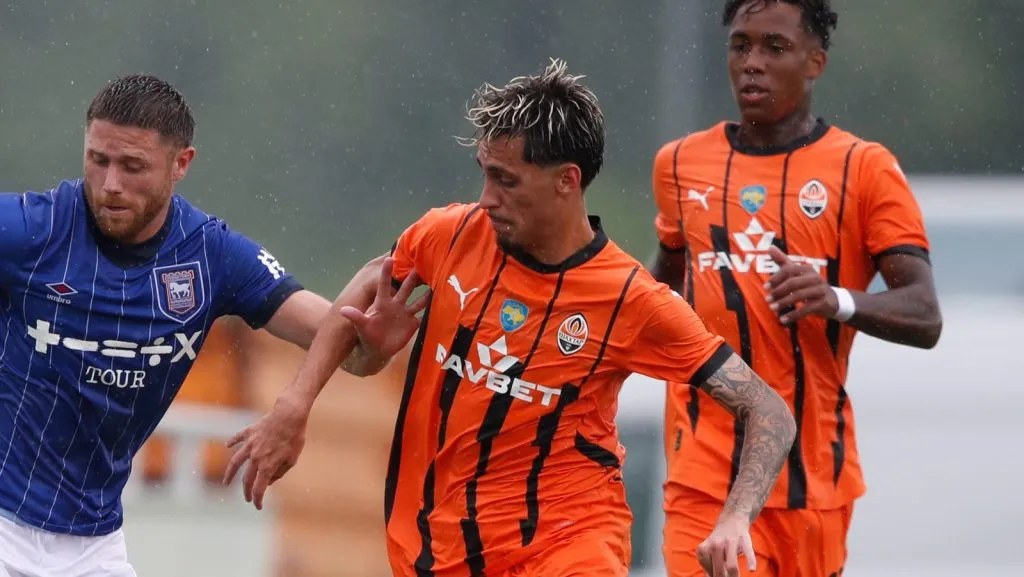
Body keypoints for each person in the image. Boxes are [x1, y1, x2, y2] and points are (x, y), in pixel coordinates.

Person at [225, 58, 796, 577]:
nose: (487, 197)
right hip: (432, 543)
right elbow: (375, 278)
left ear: (567, 181)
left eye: (506, 180)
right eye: (484, 173)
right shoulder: (448, 234)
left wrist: (735, 517)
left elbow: (767, 408)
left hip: (569, 544)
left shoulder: (632, 299)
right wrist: (297, 402)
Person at [0, 74, 382, 577]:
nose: (111, 183)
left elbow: (352, 349)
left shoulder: (212, 255)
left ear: (181, 164)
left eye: (133, 166)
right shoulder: (31, 228)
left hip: (95, 546)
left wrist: (304, 398)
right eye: (98, 160)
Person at [648, 1, 943, 576]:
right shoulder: (680, 165)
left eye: (774, 48)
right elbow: (658, 293)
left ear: (815, 62)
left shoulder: (865, 169)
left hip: (813, 485)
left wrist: (837, 300)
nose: (752, 63)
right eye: (741, 46)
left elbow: (925, 314)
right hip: (702, 482)